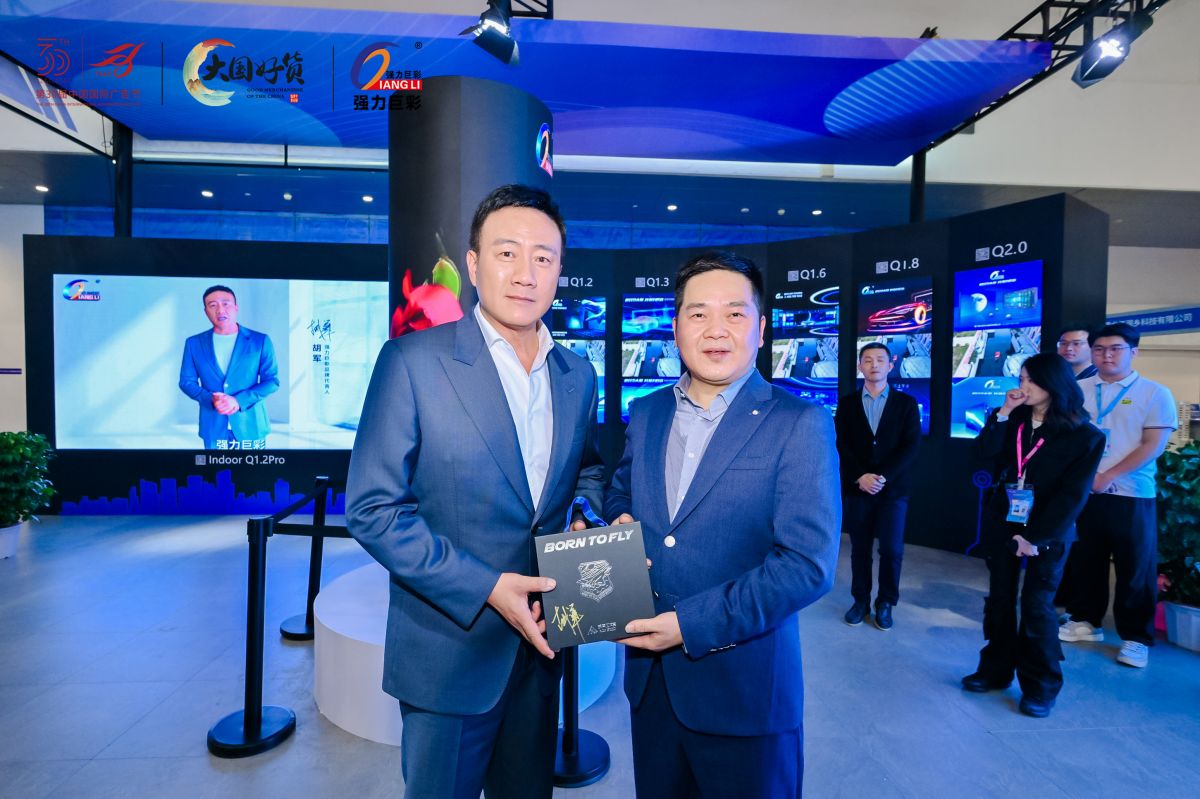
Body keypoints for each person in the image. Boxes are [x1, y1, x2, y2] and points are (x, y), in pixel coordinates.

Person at [346, 185, 604, 799]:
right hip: (448, 653)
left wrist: (584, 517)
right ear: (472, 263)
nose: (525, 273)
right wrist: (486, 586)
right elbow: (373, 509)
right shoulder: (412, 362)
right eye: (506, 253)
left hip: (541, 646)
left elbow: (586, 471)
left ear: (560, 271)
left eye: (543, 257)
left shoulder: (577, 374)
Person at [605, 251, 840, 799]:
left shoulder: (798, 423)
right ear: (675, 328)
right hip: (651, 687)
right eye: (698, 313)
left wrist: (689, 625)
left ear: (761, 328)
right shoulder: (648, 412)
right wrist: (618, 518)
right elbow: (622, 489)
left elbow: (806, 566)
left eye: (735, 314)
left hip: (745, 694)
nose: (716, 330)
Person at [961, 353, 1104, 718]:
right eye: (1021, 378)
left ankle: (1040, 687)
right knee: (1000, 599)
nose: (1022, 386)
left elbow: (1073, 496)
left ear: (1053, 384)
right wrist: (1004, 412)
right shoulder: (1015, 419)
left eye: (1030, 380)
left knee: (1038, 607)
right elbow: (982, 454)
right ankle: (994, 671)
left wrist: (1036, 538)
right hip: (1005, 521)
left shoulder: (1085, 436)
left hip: (1048, 532)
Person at [1060, 323, 1177, 668]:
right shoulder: (1077, 390)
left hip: (1131, 493)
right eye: (1099, 349)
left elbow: (1153, 445)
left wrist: (1108, 476)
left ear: (1133, 352)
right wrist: (1086, 478)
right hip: (1086, 491)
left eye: (1115, 349)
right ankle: (1086, 621)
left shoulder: (1155, 393)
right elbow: (1066, 438)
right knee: (1085, 559)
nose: (1106, 355)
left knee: (1135, 566)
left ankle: (1136, 638)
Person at [835, 342, 921, 630]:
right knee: (859, 550)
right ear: (860, 366)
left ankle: (886, 603)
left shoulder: (906, 403)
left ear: (891, 365)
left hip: (893, 490)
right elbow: (841, 445)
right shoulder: (847, 403)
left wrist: (882, 476)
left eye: (880, 360)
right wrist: (860, 476)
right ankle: (860, 601)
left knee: (892, 550)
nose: (874, 365)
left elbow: (910, 446)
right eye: (868, 360)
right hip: (858, 489)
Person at [178, 285, 279, 449]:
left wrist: (238, 401)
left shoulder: (259, 340)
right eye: (212, 305)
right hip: (213, 426)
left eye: (225, 304)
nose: (220, 310)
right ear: (205, 311)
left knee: (254, 467)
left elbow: (272, 381)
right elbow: (186, 382)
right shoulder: (193, 343)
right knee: (216, 467)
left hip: (251, 424)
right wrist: (211, 399)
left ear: (236, 307)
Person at [1052, 323, 1096, 611]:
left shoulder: (1096, 382)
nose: (1069, 348)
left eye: (1076, 343)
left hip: (1090, 474)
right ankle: (1059, 596)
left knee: (1084, 546)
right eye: (1064, 343)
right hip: (1058, 472)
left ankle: (1078, 608)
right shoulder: (1057, 382)